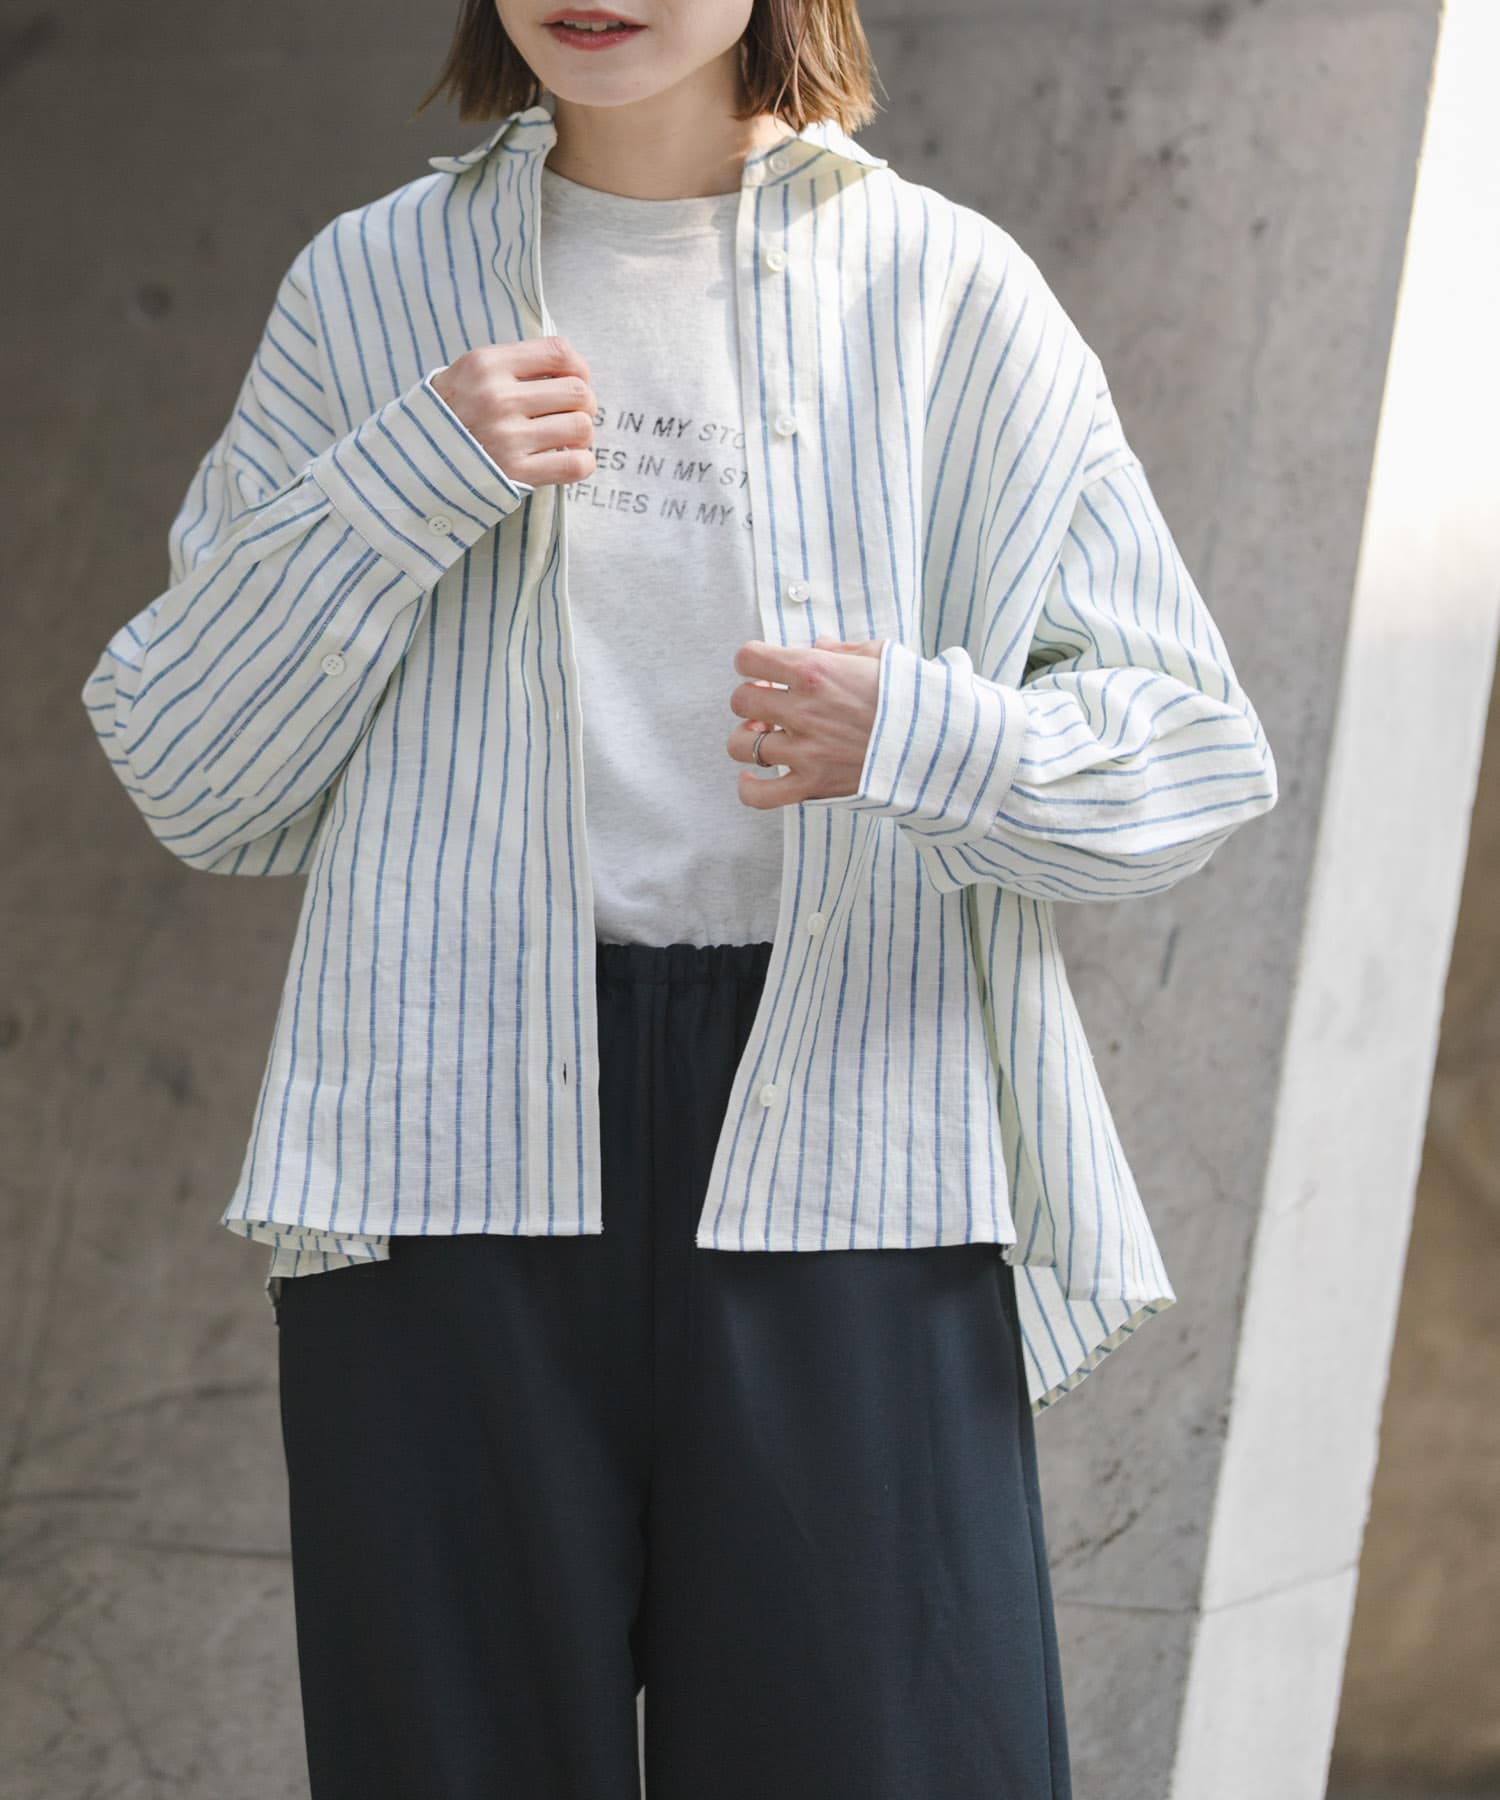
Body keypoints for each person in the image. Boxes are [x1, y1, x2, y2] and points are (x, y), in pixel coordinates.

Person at [79, 1, 1279, 1794]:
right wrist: (406, 479)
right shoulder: (369, 287)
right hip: (446, 1136)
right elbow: (190, 767)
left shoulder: (945, 290)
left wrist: (920, 735)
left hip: (849, 1126)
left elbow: (1194, 751)